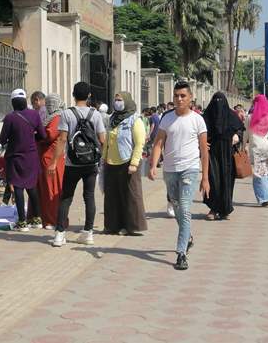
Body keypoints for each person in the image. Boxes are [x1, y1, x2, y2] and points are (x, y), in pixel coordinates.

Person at [149, 81, 210, 270]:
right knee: (177, 208)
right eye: (176, 96)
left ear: (190, 97)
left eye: (183, 96)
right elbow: (158, 143)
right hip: (170, 170)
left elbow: (204, 150)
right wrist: (153, 165)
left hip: (189, 169)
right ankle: (187, 236)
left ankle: (181, 253)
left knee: (184, 208)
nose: (179, 99)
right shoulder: (167, 119)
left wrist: (205, 178)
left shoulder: (197, 120)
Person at [50, 82, 106, 247]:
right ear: (89, 95)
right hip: (91, 163)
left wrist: (54, 162)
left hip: (72, 163)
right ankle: (88, 233)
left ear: (73, 95)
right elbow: (103, 140)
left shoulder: (67, 114)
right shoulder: (95, 114)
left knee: (66, 197)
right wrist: (101, 158)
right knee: (89, 197)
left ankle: (59, 234)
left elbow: (62, 139)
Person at [0, 89, 46, 232]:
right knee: (32, 187)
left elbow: (2, 140)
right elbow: (42, 135)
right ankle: (37, 219)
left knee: (18, 188)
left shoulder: (10, 118)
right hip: (31, 157)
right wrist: (31, 137)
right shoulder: (34, 115)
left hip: (15, 158)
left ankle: (22, 222)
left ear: (13, 102)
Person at [103, 92, 147, 235]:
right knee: (112, 195)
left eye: (120, 100)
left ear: (127, 101)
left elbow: (140, 143)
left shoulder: (135, 119)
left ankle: (132, 226)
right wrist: (104, 157)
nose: (117, 102)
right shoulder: (112, 118)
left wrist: (134, 163)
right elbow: (107, 140)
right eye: (116, 100)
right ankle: (113, 225)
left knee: (130, 195)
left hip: (127, 161)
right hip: (111, 162)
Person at [203, 92, 244, 220]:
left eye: (221, 101)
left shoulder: (231, 116)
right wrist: (202, 142)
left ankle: (225, 209)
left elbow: (240, 129)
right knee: (213, 180)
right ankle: (213, 209)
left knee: (227, 181)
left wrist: (237, 135)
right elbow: (199, 131)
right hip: (212, 153)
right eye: (216, 101)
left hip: (228, 154)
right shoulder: (207, 116)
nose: (218, 104)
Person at [37, 93, 66, 229]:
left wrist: (36, 134)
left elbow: (49, 135)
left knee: (52, 190)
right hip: (50, 158)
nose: (48, 106)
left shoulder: (56, 118)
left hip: (52, 159)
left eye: (50, 103)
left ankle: (52, 220)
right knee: (48, 190)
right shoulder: (52, 117)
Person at [245, 95, 268, 207]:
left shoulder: (250, 117)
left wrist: (243, 146)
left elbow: (245, 134)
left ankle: (264, 198)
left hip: (257, 148)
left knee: (259, 173)